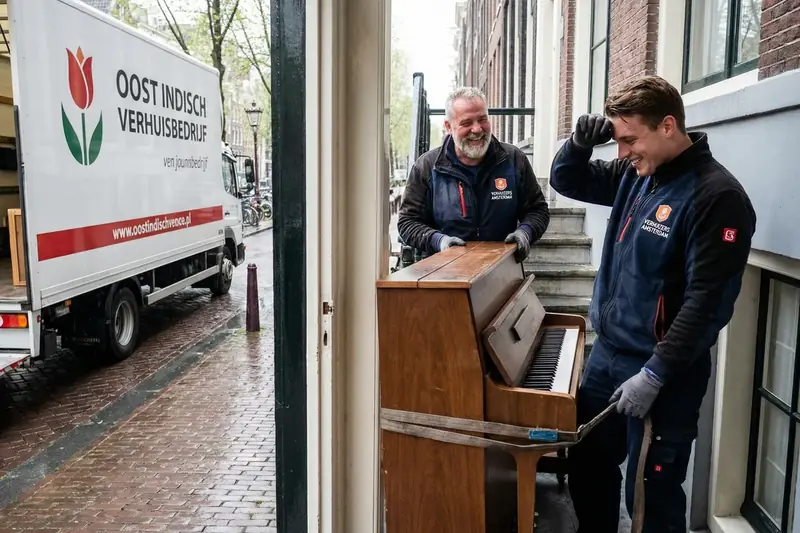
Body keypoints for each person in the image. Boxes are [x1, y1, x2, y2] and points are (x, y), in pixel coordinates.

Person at [550, 76, 756, 532]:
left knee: (649, 493)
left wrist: (656, 373)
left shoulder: (717, 197)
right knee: (587, 464)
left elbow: (708, 302)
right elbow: (568, 179)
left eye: (629, 139)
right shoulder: (636, 175)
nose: (621, 152)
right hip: (607, 357)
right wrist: (579, 144)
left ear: (667, 126)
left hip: (662, 375)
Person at [397, 86, 550, 263]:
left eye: (482, 119)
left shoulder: (514, 160)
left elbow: (537, 210)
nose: (477, 129)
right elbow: (407, 222)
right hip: (445, 275)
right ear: (449, 126)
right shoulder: (427, 167)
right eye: (466, 123)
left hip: (502, 272)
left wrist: (525, 233)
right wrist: (438, 241)